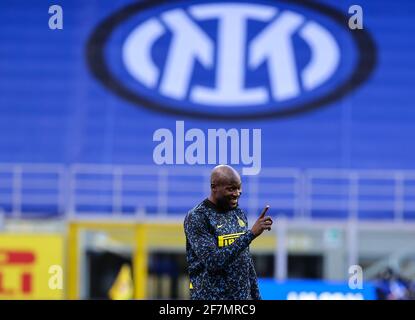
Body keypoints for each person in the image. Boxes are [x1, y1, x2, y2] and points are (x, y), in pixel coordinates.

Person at [184, 164, 273, 300]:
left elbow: (246, 262)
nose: (237, 193)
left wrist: (256, 297)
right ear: (214, 187)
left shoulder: (238, 214)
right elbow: (213, 261)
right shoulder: (197, 217)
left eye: (239, 188)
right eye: (231, 189)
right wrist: (250, 234)